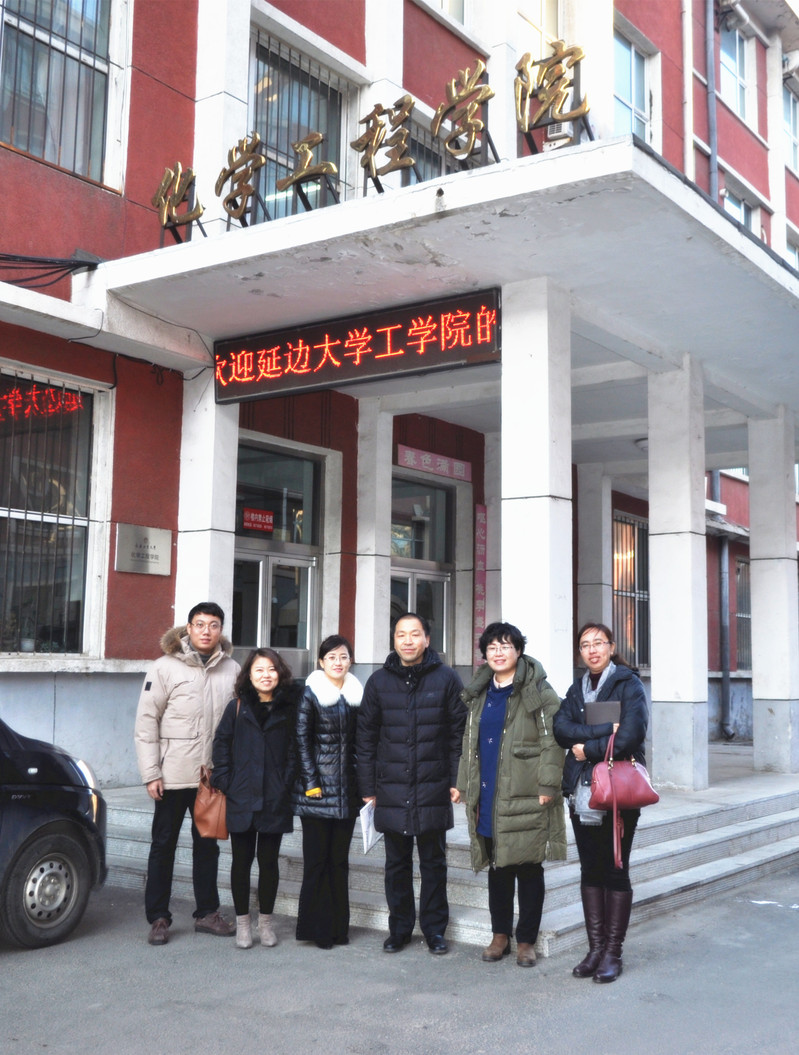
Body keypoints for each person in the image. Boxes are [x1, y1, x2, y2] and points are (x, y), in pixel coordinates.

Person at [457, 621, 566, 967]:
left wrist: (548, 785)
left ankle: (526, 940)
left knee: (529, 868)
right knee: (498, 867)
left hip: (525, 791)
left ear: (518, 651)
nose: (499, 652)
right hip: (489, 790)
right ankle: (500, 935)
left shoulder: (537, 690)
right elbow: (469, 744)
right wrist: (463, 784)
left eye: (506, 646)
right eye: (492, 647)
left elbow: (553, 741)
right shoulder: (480, 693)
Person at [357, 612, 466, 955]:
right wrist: (368, 787)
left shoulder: (447, 678)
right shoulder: (378, 682)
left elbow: (458, 735)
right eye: (401, 634)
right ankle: (399, 929)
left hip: (433, 785)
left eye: (414, 634)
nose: (408, 640)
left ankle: (434, 930)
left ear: (427, 640)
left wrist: (456, 779)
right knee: (396, 864)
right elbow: (366, 739)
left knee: (434, 863)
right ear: (394, 640)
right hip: (390, 786)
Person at [134, 601, 240, 946]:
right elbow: (146, 722)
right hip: (172, 774)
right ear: (188, 628)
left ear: (221, 630)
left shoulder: (232, 669)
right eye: (200, 624)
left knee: (207, 847)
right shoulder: (165, 667)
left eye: (213, 625)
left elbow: (239, 722)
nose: (206, 631)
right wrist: (151, 772)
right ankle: (158, 917)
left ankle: (207, 913)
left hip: (211, 778)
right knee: (163, 845)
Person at [553, 621, 649, 983]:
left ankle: (613, 953)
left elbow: (631, 734)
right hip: (581, 792)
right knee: (590, 870)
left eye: (598, 643)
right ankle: (594, 950)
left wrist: (587, 749)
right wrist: (603, 731)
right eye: (585, 645)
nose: (592, 650)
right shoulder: (576, 689)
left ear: (611, 647)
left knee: (615, 870)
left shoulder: (628, 684)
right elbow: (560, 729)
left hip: (617, 792)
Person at [211, 647, 301, 949]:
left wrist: (286, 783)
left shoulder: (289, 708)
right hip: (241, 796)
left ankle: (265, 923)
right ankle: (242, 923)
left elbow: (296, 750)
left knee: (269, 863)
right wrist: (226, 781)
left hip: (275, 798)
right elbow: (221, 745)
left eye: (271, 669)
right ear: (249, 675)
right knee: (241, 862)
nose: (266, 675)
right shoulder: (237, 707)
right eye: (259, 670)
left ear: (280, 674)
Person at [293, 634, 363, 949]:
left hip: (347, 791)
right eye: (331, 657)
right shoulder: (310, 694)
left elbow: (362, 743)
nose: (338, 662)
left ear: (351, 661)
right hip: (317, 793)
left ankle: (338, 928)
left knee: (339, 862)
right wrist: (311, 784)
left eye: (343, 656)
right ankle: (318, 929)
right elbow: (301, 741)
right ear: (321, 661)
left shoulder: (357, 694)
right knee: (316, 861)